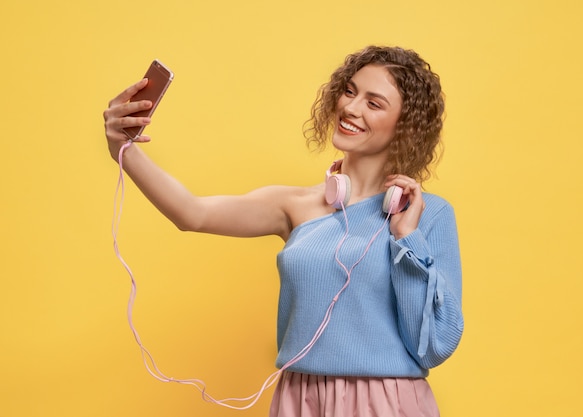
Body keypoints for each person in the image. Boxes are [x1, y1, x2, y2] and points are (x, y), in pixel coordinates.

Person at [103, 45, 464, 417]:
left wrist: (407, 239)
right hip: (300, 398)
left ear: (406, 124)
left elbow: (436, 343)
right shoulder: (293, 205)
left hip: (386, 403)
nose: (352, 109)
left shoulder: (426, 215)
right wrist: (122, 148)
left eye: (374, 103)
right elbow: (191, 213)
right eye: (350, 91)